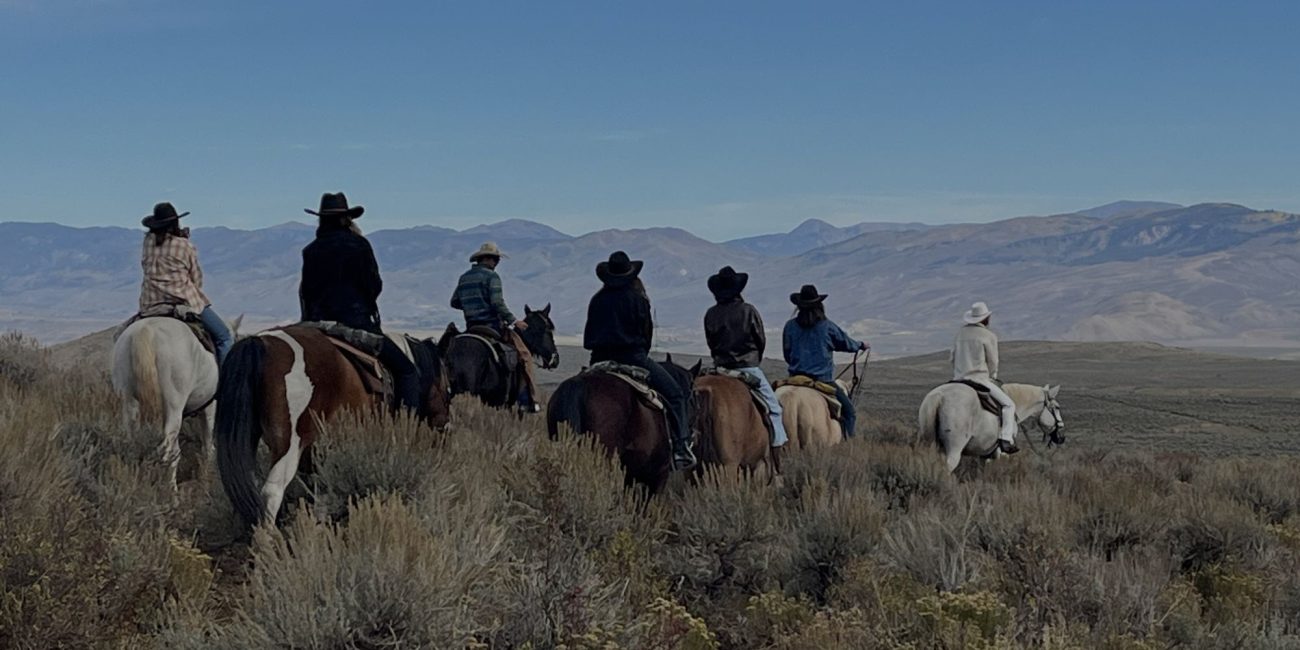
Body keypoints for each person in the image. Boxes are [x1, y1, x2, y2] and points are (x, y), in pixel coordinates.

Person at [298, 192, 419, 412]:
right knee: (407, 371)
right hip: (355, 323)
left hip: (315, 325)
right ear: (347, 219)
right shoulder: (359, 245)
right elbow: (373, 286)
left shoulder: (310, 250)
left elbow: (306, 292)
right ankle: (407, 426)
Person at [583, 251, 694, 470]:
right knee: (675, 394)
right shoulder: (638, 299)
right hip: (633, 357)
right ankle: (681, 446)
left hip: (598, 358)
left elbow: (589, 336)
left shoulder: (596, 300)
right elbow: (646, 337)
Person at [704, 266, 788, 464]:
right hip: (746, 367)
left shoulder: (711, 313)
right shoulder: (748, 310)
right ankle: (777, 459)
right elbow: (760, 339)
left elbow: (711, 342)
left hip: (720, 368)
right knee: (775, 409)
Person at [138, 202, 234, 364]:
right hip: (184, 301)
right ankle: (226, 385)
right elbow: (196, 279)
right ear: (175, 223)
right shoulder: (184, 245)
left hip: (151, 304)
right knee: (224, 337)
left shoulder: (147, 242)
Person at [450, 242, 539, 412]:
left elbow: (454, 302)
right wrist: (514, 321)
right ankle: (526, 401)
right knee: (523, 355)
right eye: (496, 259)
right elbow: (497, 303)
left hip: (471, 327)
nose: (497, 263)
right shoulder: (492, 277)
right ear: (488, 259)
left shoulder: (464, 277)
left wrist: (472, 305)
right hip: (491, 326)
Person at [782, 284, 868, 438]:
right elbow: (846, 343)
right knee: (850, 413)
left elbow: (787, 354)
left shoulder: (790, 326)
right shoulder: (827, 326)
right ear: (819, 305)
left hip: (794, 378)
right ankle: (847, 445)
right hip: (823, 380)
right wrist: (860, 345)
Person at [951, 301, 1018, 454]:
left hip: (958, 379)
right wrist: (993, 375)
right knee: (1009, 405)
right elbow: (993, 361)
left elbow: (952, 357)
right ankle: (1005, 439)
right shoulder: (988, 336)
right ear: (985, 319)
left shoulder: (960, 334)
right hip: (979, 379)